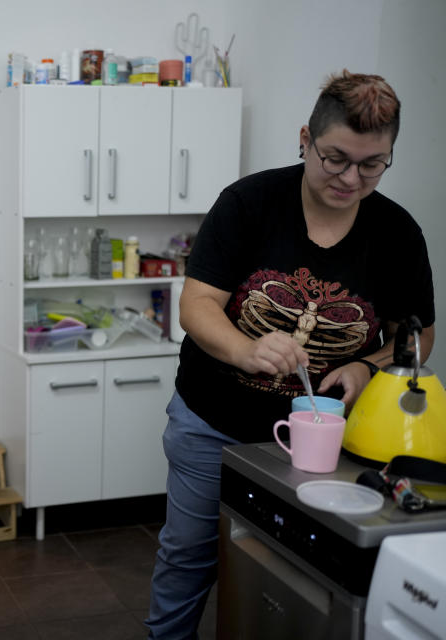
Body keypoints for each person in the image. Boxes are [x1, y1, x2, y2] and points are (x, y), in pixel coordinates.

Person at [145, 70, 435, 639]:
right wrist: (247, 348)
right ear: (305, 139)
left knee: (304, 568)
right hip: (215, 424)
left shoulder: (398, 233)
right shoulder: (248, 203)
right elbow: (198, 305)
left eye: (372, 163)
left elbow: (418, 337)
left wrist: (367, 366)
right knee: (190, 556)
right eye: (335, 158)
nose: (351, 178)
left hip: (334, 437)